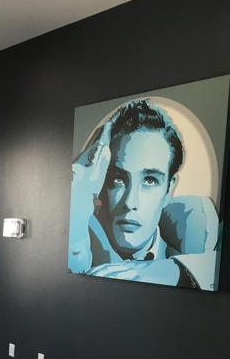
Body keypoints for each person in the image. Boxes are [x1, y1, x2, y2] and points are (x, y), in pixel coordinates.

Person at [68, 99, 220, 290]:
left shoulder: (190, 270)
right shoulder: (77, 249)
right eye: (118, 179)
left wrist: (175, 273)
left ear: (169, 189)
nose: (130, 202)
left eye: (149, 180)